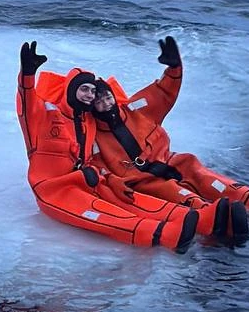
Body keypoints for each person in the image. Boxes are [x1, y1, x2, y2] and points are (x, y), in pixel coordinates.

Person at [91, 36, 249, 226]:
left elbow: (163, 92)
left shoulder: (135, 108)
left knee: (209, 180)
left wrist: (174, 67)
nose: (106, 104)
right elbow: (98, 166)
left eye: (108, 97)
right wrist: (116, 182)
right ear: (93, 106)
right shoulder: (94, 133)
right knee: (181, 195)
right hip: (141, 180)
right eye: (99, 101)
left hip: (169, 161)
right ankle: (220, 219)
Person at [16, 40, 199, 253]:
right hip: (55, 191)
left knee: (130, 200)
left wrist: (110, 179)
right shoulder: (43, 116)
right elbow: (26, 102)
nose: (90, 96)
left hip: (88, 180)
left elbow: (155, 98)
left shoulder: (90, 121)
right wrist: (27, 75)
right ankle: (165, 234)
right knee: (111, 216)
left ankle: (193, 217)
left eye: (93, 92)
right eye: (84, 89)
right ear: (72, 89)